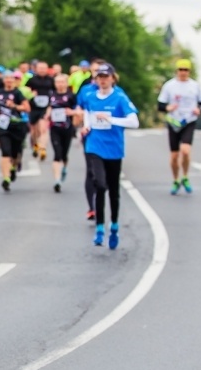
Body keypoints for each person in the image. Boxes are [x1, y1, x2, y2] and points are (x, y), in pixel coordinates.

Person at [80, 63, 139, 249]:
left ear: (113, 78)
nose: (103, 80)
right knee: (100, 184)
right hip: (94, 145)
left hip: (114, 149)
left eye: (106, 77)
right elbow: (87, 112)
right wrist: (86, 125)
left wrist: (112, 120)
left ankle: (113, 226)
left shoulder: (120, 98)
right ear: (96, 79)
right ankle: (99, 228)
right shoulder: (90, 96)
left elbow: (134, 122)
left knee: (113, 190)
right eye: (100, 77)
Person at [157, 59, 201, 195]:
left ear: (189, 71)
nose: (183, 72)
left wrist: (199, 110)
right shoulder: (170, 86)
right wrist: (168, 107)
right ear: (177, 71)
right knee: (174, 155)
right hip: (173, 121)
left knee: (185, 150)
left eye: (186, 70)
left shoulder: (195, 86)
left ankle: (185, 176)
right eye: (181, 70)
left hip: (189, 120)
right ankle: (176, 179)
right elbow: (160, 105)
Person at [0, 70, 30, 191]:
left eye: (10, 79)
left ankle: (13, 167)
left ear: (14, 81)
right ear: (4, 81)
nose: (8, 81)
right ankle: (5, 178)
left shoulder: (18, 93)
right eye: (6, 79)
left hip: (16, 126)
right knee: (5, 152)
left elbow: (27, 108)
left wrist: (15, 106)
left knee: (16, 153)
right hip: (2, 126)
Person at [46, 74, 77, 192]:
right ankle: (57, 180)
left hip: (67, 127)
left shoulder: (71, 96)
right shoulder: (52, 95)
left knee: (64, 154)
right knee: (57, 153)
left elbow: (78, 110)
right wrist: (47, 114)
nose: (59, 84)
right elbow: (50, 107)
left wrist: (72, 112)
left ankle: (64, 168)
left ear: (66, 83)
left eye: (62, 82)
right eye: (57, 82)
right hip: (54, 128)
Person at [25, 61, 55, 161]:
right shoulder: (31, 80)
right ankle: (36, 145)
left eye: (44, 68)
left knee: (43, 129)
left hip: (45, 108)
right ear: (36, 69)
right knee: (34, 131)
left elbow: (56, 92)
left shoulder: (51, 80)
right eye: (40, 68)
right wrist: (30, 94)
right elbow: (24, 92)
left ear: (47, 69)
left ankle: (43, 149)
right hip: (33, 108)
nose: (42, 70)